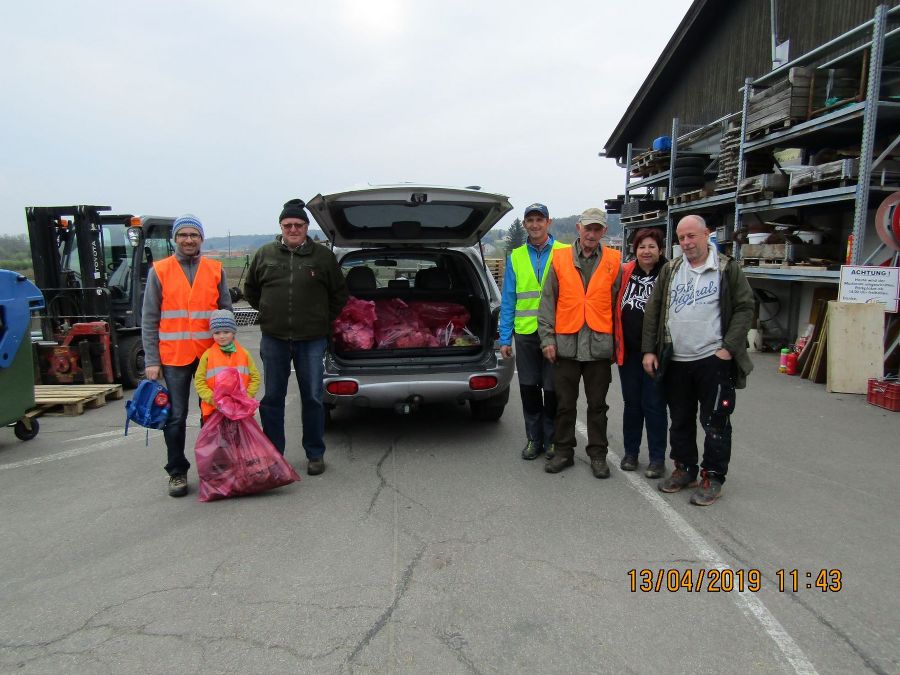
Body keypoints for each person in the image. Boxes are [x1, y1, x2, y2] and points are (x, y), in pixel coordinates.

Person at [641, 214, 754, 506]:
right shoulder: (671, 270)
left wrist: (728, 348)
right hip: (676, 358)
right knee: (679, 418)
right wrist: (650, 350)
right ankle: (685, 468)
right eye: (681, 238)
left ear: (707, 234)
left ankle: (713, 476)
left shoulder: (727, 269)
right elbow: (654, 311)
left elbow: (744, 308)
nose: (687, 243)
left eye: (692, 236)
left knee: (715, 421)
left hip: (712, 359)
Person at [244, 198, 348, 476]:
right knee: (273, 399)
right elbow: (252, 290)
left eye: (298, 225)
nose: (293, 229)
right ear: (281, 226)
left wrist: (322, 320)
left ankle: (315, 453)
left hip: (312, 340)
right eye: (288, 225)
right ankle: (274, 454)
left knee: (313, 398)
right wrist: (268, 311)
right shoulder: (265, 254)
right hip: (274, 338)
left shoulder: (322, 257)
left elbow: (339, 294)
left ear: (306, 226)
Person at [142, 214, 233, 497]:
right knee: (176, 416)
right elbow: (149, 318)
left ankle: (213, 468)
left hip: (210, 355)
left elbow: (226, 311)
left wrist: (229, 351)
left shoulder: (215, 269)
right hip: (174, 356)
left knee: (213, 414)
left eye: (194, 235)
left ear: (201, 239)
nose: (189, 240)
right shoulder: (160, 270)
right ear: (175, 239)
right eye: (183, 235)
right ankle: (177, 471)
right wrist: (151, 360)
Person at [538, 208, 621, 477]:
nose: (592, 233)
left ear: (603, 232)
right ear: (578, 228)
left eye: (597, 229)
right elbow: (547, 303)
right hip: (566, 345)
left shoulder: (613, 260)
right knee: (565, 404)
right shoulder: (560, 259)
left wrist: (617, 344)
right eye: (588, 228)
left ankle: (598, 454)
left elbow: (617, 306)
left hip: (599, 347)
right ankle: (563, 451)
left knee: (598, 406)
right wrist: (547, 339)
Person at [499, 203, 569, 461]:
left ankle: (551, 440)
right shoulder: (516, 256)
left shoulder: (564, 252)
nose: (535, 224)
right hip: (526, 333)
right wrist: (505, 337)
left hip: (556, 333)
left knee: (552, 390)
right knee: (529, 389)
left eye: (540, 219)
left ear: (548, 223)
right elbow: (508, 299)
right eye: (530, 220)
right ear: (525, 224)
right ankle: (534, 439)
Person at [614, 228, 668, 479]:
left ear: (660, 250)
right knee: (632, 405)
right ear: (635, 250)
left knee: (655, 405)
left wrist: (655, 350)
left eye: (652, 246)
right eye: (642, 247)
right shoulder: (625, 272)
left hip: (656, 355)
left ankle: (657, 459)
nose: (647, 251)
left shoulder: (668, 273)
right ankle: (631, 453)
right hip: (629, 353)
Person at [193, 309, 261, 423]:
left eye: (226, 332)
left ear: (233, 332)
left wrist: (246, 397)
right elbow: (199, 380)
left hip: (240, 409)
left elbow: (255, 377)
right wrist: (212, 399)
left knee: (239, 440)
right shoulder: (208, 355)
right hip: (215, 410)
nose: (222, 336)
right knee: (218, 441)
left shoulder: (244, 354)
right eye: (217, 333)